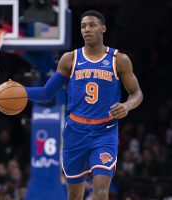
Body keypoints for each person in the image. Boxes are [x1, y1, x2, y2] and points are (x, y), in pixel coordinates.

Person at [24, 10, 143, 200]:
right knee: (74, 195)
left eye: (92, 25)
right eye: (83, 26)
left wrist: (127, 106)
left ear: (103, 28)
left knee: (101, 190)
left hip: (105, 131)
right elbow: (47, 93)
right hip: (75, 132)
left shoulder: (118, 60)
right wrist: (22, 92)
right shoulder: (70, 59)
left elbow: (137, 93)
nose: (87, 29)